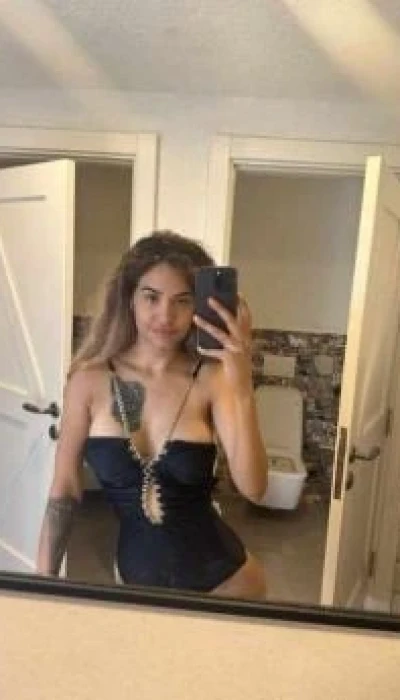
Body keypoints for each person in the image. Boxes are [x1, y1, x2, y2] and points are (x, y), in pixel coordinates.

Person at [36, 230, 268, 599]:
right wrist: (42, 582)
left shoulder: (212, 380)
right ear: (129, 298)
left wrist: (242, 386)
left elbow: (254, 489)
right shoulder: (89, 381)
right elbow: (65, 487)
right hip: (135, 583)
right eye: (151, 297)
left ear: (198, 306)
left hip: (227, 585)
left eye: (182, 300)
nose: (166, 316)